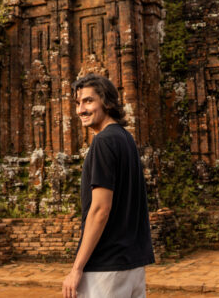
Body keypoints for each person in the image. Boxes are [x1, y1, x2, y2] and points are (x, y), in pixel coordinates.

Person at [62, 73, 155, 298]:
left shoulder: (103, 142)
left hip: (106, 268)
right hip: (132, 265)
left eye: (88, 101)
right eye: (78, 103)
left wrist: (76, 268)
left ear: (107, 102)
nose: (80, 110)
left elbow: (100, 209)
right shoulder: (126, 139)